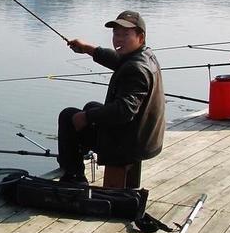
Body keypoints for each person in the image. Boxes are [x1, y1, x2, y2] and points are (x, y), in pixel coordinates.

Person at [61, 11, 165, 188]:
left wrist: (87, 117)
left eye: (126, 35)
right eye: (116, 34)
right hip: (143, 135)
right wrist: (87, 48)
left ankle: (73, 176)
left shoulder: (135, 69)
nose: (119, 39)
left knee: (69, 116)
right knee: (91, 106)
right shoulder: (144, 55)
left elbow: (124, 110)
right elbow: (117, 60)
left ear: (140, 37)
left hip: (129, 144)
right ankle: (79, 152)